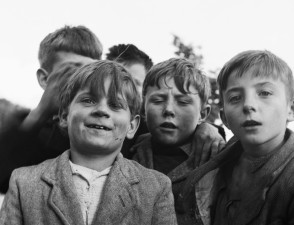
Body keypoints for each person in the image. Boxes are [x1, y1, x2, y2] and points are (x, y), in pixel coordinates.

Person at [0, 60, 177, 225]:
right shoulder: (23, 182)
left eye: (115, 105)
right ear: (64, 116)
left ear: (132, 126)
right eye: (88, 100)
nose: (101, 110)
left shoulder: (156, 187)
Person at [0, 25, 102, 193]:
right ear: (44, 79)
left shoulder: (110, 125)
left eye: (91, 73)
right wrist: (41, 113)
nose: (82, 82)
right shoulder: (30, 129)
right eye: (71, 72)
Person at [207, 50, 294, 225]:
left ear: (292, 109)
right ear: (225, 118)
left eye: (264, 93)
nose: (248, 105)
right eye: (235, 98)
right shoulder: (213, 161)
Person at [131, 58, 219, 224]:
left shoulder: (216, 161)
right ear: (143, 108)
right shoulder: (128, 151)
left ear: (203, 114)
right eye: (157, 100)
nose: (169, 110)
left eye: (183, 102)